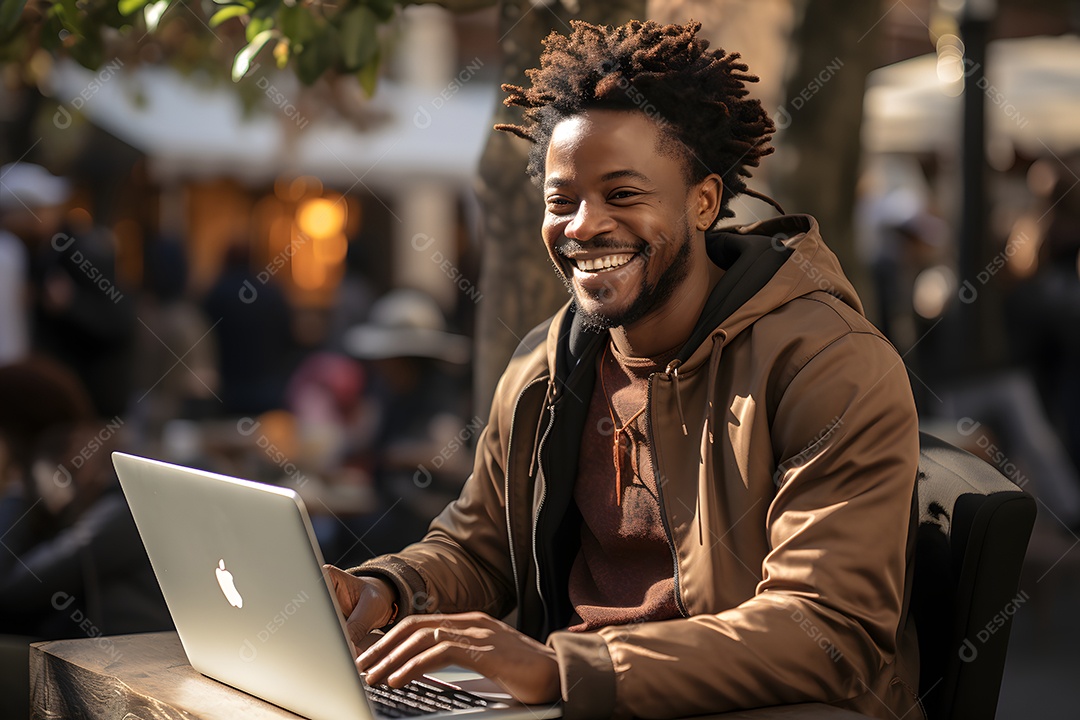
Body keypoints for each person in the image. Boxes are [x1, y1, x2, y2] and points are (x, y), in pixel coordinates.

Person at [324, 19, 922, 720]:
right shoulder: (551, 361)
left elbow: (827, 629)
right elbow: (482, 546)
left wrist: (562, 669)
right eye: (561, 201)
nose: (583, 225)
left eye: (623, 194)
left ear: (703, 201)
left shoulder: (829, 364)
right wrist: (385, 592)